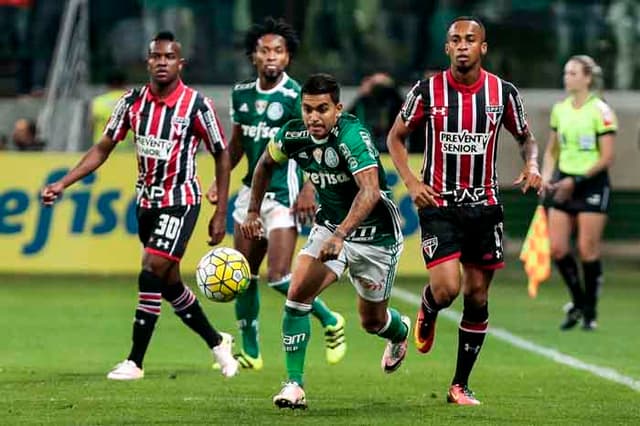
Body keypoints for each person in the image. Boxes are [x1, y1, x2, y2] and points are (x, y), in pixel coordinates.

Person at [40, 31, 239, 380]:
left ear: (180, 63)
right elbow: (102, 148)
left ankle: (135, 361)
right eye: (156, 57)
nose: (162, 62)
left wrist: (220, 211)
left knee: (150, 269)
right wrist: (63, 183)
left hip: (181, 201)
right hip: (146, 203)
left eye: (169, 57)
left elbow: (222, 154)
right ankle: (217, 342)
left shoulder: (196, 105)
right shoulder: (132, 103)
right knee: (169, 284)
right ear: (148, 62)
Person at [386, 16, 542, 405]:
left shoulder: (502, 93)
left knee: (476, 297)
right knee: (447, 289)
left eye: (470, 40)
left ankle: (459, 385)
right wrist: (411, 182)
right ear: (446, 48)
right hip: (440, 204)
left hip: (485, 207)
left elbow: (527, 138)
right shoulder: (427, 91)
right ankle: (428, 305)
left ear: (483, 47)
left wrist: (532, 165)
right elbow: (396, 136)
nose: (462, 45)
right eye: (455, 39)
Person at [241, 73, 410, 409]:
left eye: (322, 109)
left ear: (338, 108)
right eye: (307, 109)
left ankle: (399, 332)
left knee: (372, 322)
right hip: (330, 227)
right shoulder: (293, 133)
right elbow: (263, 165)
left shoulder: (352, 135)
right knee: (297, 295)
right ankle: (294, 384)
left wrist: (342, 234)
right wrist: (252, 212)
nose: (314, 117)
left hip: (375, 237)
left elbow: (371, 191)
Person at [209, 17, 346, 370]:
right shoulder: (242, 93)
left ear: (287, 58)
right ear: (253, 56)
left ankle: (330, 320)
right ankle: (252, 353)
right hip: (249, 197)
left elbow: (319, 142)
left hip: (284, 195)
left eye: (279, 51)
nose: (271, 56)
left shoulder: (295, 96)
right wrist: (217, 182)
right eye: (264, 50)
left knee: (280, 276)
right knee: (242, 276)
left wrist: (308, 187)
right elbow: (237, 144)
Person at [541, 55, 616, 331]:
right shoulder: (559, 109)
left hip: (591, 184)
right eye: (565, 72)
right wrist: (547, 175)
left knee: (587, 249)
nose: (567, 77)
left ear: (587, 78)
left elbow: (607, 156)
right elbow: (552, 149)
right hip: (564, 183)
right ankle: (578, 302)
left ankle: (590, 312)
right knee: (558, 247)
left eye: (573, 73)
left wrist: (578, 179)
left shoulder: (601, 110)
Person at [347, 72, 403, 153]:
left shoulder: (390, 101)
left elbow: (401, 103)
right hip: (367, 142)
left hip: (388, 141)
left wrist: (390, 84)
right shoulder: (361, 103)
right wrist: (362, 94)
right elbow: (348, 116)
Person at [90, 70, 134, 148]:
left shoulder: (97, 102)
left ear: (108, 85)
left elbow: (91, 127)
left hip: (103, 150)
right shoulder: (134, 101)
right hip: (128, 151)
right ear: (125, 84)